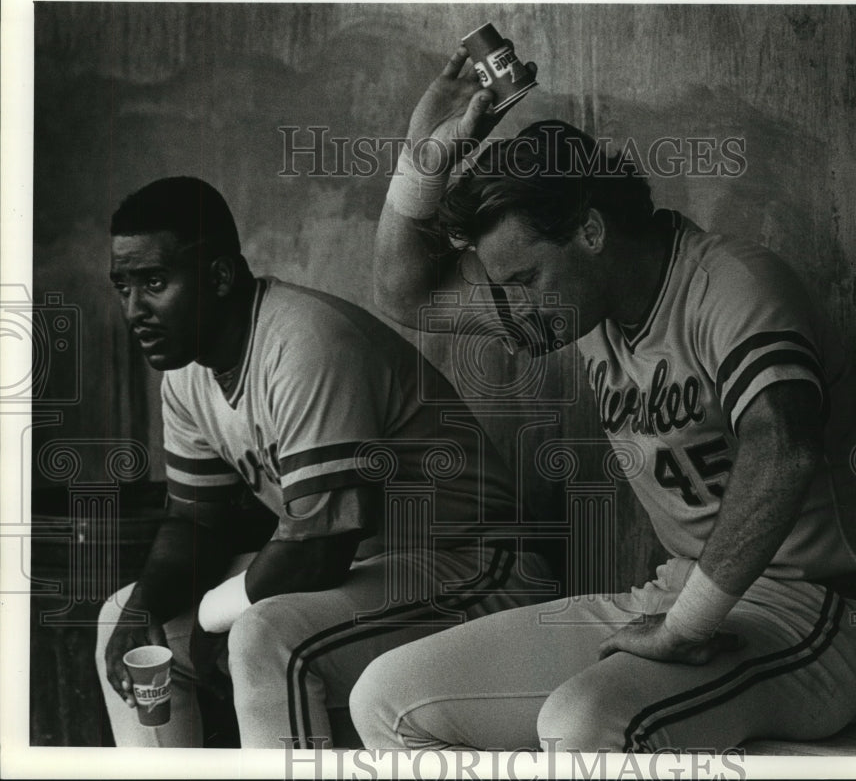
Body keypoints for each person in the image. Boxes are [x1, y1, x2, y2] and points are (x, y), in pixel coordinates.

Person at [349, 46, 856, 752]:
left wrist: (686, 627)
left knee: (579, 722)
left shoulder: (732, 284)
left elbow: (783, 449)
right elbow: (404, 292)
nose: (511, 304)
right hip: (673, 592)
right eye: (502, 283)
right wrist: (423, 164)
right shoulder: (574, 305)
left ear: (591, 232)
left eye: (523, 279)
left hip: (810, 615)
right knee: (387, 698)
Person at [95, 176, 556, 749]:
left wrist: (215, 617)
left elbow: (320, 547)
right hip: (371, 577)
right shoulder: (185, 375)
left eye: (155, 283)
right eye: (123, 287)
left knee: (264, 633)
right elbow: (196, 523)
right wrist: (143, 606)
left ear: (218, 276)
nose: (134, 309)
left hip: (480, 569)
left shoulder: (304, 340)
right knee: (126, 619)